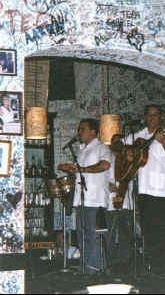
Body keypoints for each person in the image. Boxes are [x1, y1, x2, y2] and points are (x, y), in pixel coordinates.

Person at [125, 104, 165, 277]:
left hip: (164, 190)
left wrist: (163, 142)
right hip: (145, 188)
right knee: (148, 228)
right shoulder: (137, 136)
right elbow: (121, 149)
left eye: (155, 115)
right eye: (149, 115)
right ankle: (152, 266)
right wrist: (127, 155)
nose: (152, 118)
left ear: (160, 117)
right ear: (145, 117)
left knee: (164, 229)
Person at [58, 118, 112, 275]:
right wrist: (70, 168)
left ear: (93, 132)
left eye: (82, 129)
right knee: (82, 233)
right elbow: (80, 171)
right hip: (82, 198)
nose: (79, 132)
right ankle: (85, 266)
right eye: (79, 129)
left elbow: (105, 165)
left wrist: (83, 169)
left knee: (94, 234)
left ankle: (96, 268)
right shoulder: (82, 149)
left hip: (95, 198)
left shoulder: (101, 147)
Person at [106, 133, 134, 272]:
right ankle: (109, 260)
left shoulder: (127, 158)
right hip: (111, 201)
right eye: (114, 142)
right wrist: (108, 185)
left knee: (125, 231)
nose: (116, 144)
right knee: (110, 230)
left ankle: (125, 261)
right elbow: (103, 176)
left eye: (119, 142)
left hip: (125, 200)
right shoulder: (107, 158)